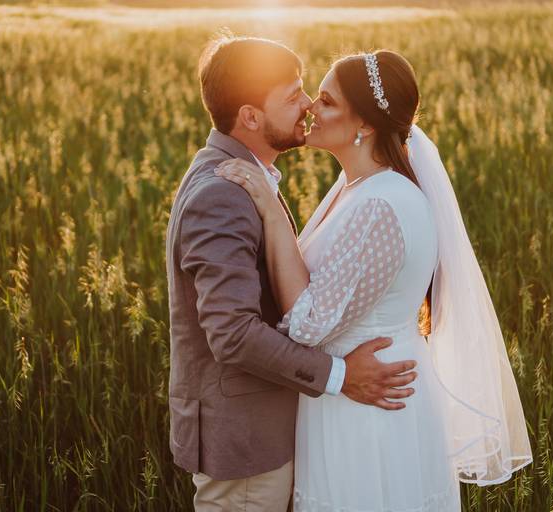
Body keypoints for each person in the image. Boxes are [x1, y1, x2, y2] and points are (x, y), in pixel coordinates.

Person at [216, 49, 533, 511]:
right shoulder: (354, 190)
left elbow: (307, 326)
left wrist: (271, 210)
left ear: (363, 124)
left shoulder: (381, 205)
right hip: (350, 396)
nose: (311, 107)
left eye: (326, 100)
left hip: (370, 413)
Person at [165, 37, 419, 512]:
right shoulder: (223, 193)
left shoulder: (246, 175)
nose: (307, 105)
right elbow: (233, 334)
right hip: (247, 447)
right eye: (292, 96)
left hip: (266, 437)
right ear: (251, 117)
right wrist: (341, 376)